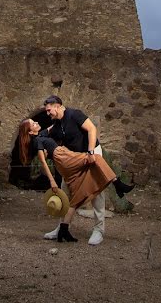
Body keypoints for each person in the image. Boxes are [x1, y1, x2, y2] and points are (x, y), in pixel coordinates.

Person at [17, 118, 133, 243]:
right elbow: (43, 162)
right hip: (64, 157)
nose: (38, 122)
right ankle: (118, 184)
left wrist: (60, 119)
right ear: (29, 132)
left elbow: (51, 127)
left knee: (78, 194)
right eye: (34, 123)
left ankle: (63, 229)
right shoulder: (37, 141)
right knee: (95, 159)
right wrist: (52, 181)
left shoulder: (42, 134)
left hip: (64, 157)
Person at [44, 94, 133, 245]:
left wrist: (91, 151)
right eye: (46, 111)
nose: (47, 113)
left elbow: (92, 129)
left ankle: (99, 230)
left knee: (96, 192)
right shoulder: (57, 125)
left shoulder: (74, 114)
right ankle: (62, 227)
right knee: (64, 189)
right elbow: (46, 135)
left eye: (49, 110)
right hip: (76, 158)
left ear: (57, 106)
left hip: (91, 152)